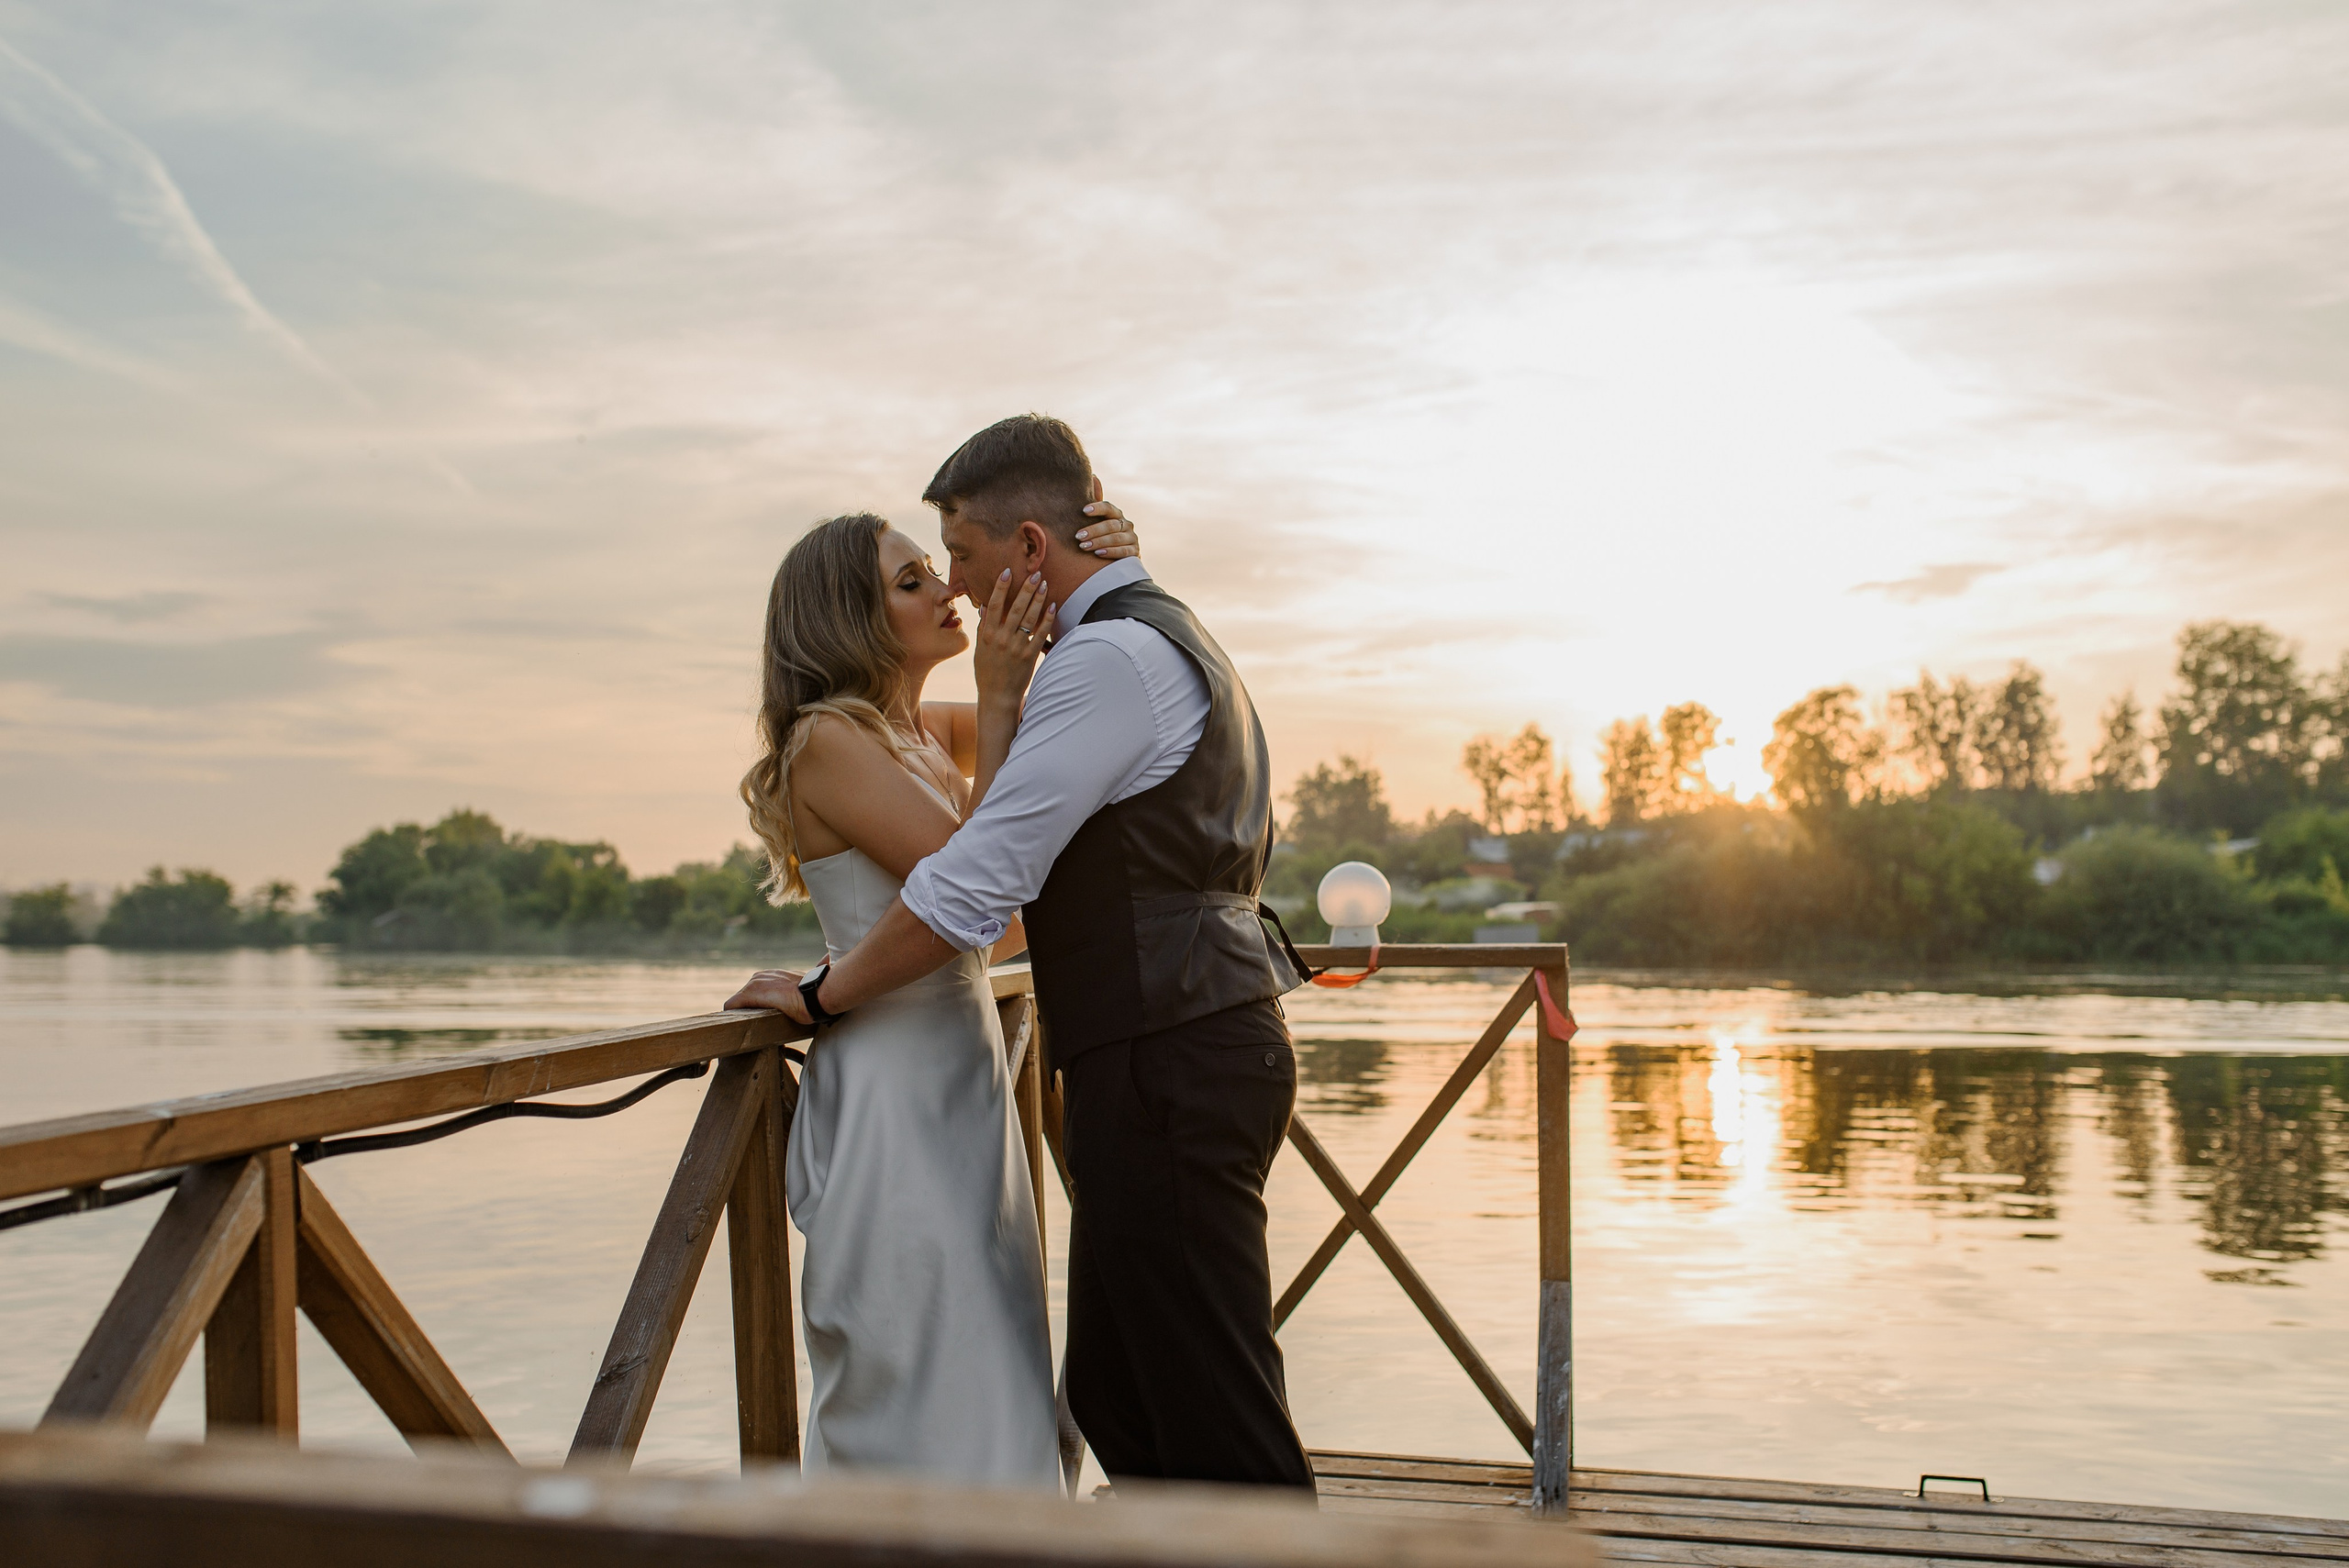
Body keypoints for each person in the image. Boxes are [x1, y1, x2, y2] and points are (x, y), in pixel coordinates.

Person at [730, 415, 1317, 1494]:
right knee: (1113, 1384)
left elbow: (975, 883)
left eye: (955, 553)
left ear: (1032, 547)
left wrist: (822, 992)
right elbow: (982, 857)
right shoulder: (1113, 649)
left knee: (1196, 1392)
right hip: (1092, 1057)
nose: (954, 583)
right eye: (924, 571)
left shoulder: (1097, 661)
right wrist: (1060, 620)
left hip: (1161, 1048)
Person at [723, 498, 1139, 1486]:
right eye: (911, 581)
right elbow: (980, 889)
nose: (948, 587)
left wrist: (1100, 561)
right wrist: (996, 695)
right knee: (915, 1362)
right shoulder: (829, 738)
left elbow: (1079, 721)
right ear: (850, 621)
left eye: (935, 568)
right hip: (892, 1086)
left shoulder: (913, 726)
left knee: (992, 1356)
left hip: (966, 1075)